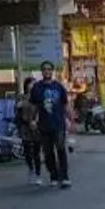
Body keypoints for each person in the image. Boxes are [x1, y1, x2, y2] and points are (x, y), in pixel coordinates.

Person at [28, 61, 73, 189]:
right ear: (42, 71)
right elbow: (33, 106)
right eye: (44, 69)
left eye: (49, 69)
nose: (47, 71)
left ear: (52, 71)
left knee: (61, 149)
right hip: (43, 125)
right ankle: (53, 176)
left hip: (58, 124)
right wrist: (32, 120)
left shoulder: (59, 87)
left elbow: (65, 104)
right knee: (48, 153)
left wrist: (71, 119)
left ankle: (64, 177)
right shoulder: (37, 87)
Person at [16, 88, 46, 186]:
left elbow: (42, 112)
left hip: (36, 128)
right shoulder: (21, 100)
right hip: (25, 128)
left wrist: (36, 122)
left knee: (36, 153)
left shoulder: (39, 99)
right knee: (27, 152)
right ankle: (31, 168)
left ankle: (38, 174)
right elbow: (18, 115)